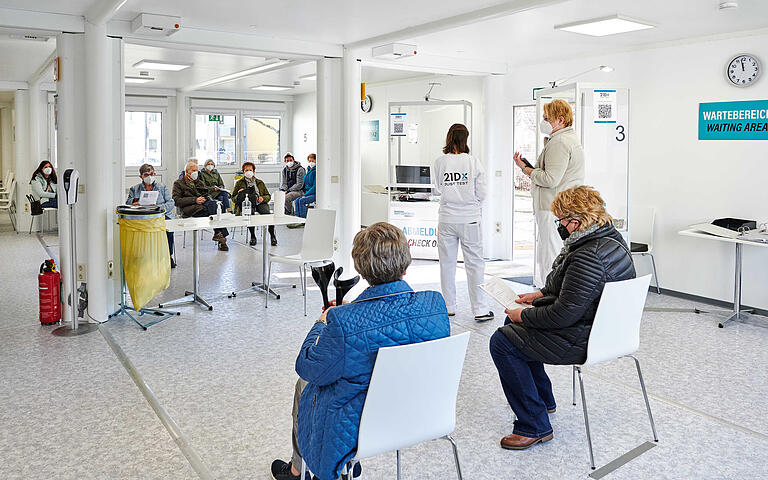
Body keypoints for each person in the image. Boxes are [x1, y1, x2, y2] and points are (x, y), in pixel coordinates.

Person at [270, 222, 450, 480]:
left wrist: (324, 321)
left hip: (363, 425)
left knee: (304, 383)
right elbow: (390, 319)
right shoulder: (434, 305)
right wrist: (350, 310)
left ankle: (299, 469)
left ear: (362, 271)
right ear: (406, 265)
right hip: (425, 414)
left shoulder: (343, 323)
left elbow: (307, 365)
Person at [490, 186, 635, 450]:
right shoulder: (610, 240)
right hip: (603, 329)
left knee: (502, 341)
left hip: (583, 337)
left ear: (576, 221)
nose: (560, 226)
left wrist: (525, 314)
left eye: (562, 221)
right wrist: (540, 295)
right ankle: (542, 400)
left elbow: (563, 314)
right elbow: (578, 292)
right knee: (513, 326)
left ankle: (533, 425)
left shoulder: (587, 256)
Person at [514, 99, 585, 288]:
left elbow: (550, 179)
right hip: (560, 207)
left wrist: (526, 170)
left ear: (560, 119)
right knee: (553, 252)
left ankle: (549, 296)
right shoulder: (567, 139)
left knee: (550, 254)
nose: (543, 121)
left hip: (552, 207)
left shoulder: (560, 142)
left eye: (547, 117)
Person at [432, 123, 493, 322]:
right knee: (475, 265)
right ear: (466, 139)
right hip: (470, 220)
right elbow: (482, 192)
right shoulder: (473, 162)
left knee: (447, 265)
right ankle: (480, 310)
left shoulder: (440, 162)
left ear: (449, 137)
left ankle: (449, 306)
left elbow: (437, 189)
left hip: (447, 219)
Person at [172, 160, 230, 251]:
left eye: (197, 171)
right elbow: (176, 201)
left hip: (204, 206)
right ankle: (221, 236)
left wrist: (205, 198)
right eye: (193, 171)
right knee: (214, 210)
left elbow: (207, 194)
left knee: (215, 204)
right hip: (190, 208)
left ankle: (219, 234)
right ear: (187, 172)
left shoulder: (198, 182)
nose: (196, 173)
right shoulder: (178, 183)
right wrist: (195, 200)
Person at [126, 164, 177, 268]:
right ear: (141, 176)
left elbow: (171, 203)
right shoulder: (134, 189)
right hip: (143, 216)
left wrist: (159, 207)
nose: (149, 176)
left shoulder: (162, 187)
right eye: (146, 175)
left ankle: (168, 255)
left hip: (161, 215)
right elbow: (128, 202)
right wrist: (135, 202)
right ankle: (140, 255)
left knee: (168, 229)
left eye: (152, 174)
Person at [232, 161, 277, 246]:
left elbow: (268, 195)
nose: (248, 172)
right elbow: (233, 198)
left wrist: (262, 198)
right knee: (249, 214)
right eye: (246, 170)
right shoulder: (239, 183)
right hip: (247, 204)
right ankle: (253, 236)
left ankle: (272, 236)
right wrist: (239, 194)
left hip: (260, 203)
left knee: (268, 214)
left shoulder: (259, 182)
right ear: (243, 172)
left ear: (253, 171)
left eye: (250, 170)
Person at [289, 153, 316, 227]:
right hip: (307, 192)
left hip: (314, 194)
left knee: (301, 201)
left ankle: (303, 221)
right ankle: (298, 219)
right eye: (309, 161)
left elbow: (315, 186)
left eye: (313, 161)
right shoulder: (308, 170)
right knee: (297, 200)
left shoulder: (316, 171)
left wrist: (306, 194)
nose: (311, 162)